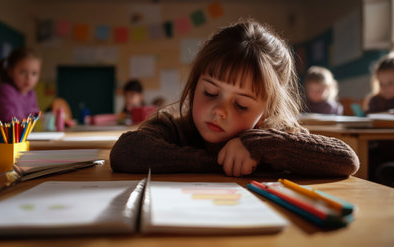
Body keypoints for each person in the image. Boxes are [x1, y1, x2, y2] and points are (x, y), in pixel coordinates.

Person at [110, 19, 359, 177]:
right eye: (210, 92)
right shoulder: (174, 127)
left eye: (241, 104)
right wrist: (220, 163)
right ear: (195, 84)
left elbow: (346, 160)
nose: (220, 110)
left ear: (267, 110)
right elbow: (125, 151)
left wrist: (257, 145)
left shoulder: (276, 136)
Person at [0, 47, 41, 122]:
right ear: (10, 71)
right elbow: (13, 122)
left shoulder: (31, 94)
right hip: (0, 134)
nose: (28, 78)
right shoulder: (5, 91)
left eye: (34, 73)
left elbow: (34, 116)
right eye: (23, 72)